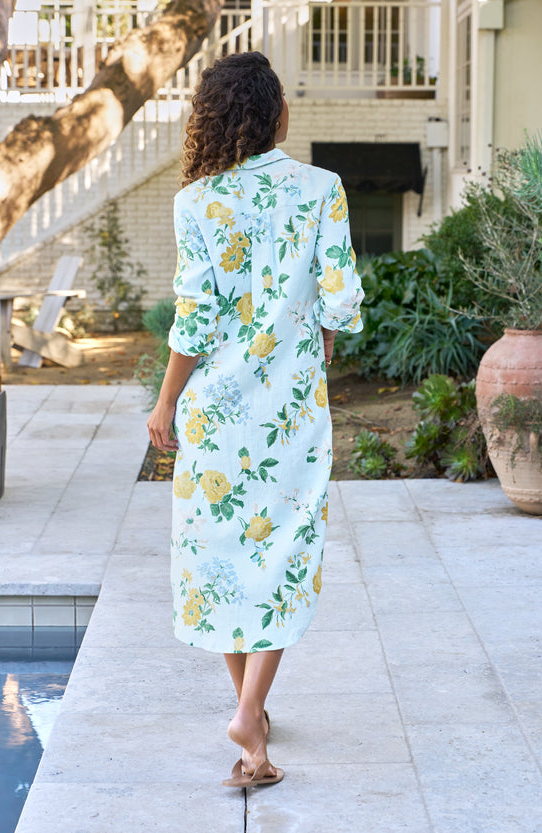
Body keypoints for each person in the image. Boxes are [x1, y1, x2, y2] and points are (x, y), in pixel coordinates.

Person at [147, 51, 364, 788]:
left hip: (215, 415)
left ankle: (253, 737)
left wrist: (166, 402)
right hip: (290, 415)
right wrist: (321, 331)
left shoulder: (195, 202)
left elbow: (194, 320)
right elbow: (341, 300)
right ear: (275, 112)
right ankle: (250, 718)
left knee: (222, 560)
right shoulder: (322, 189)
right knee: (284, 554)